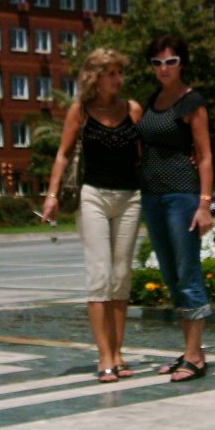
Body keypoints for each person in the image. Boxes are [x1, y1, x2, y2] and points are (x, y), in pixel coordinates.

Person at [41, 48, 142, 384]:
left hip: (130, 198)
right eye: (111, 73)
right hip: (93, 196)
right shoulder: (80, 111)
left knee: (121, 275)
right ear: (95, 77)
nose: (118, 79)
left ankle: (118, 350)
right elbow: (63, 154)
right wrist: (52, 195)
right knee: (99, 275)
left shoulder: (133, 110)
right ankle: (104, 356)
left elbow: (144, 156)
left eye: (119, 72)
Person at [136, 34, 213, 382]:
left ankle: (195, 356)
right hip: (152, 196)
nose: (164, 68)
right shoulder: (152, 100)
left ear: (181, 62)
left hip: (182, 196)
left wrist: (205, 204)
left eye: (170, 61)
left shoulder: (191, 101)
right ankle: (189, 351)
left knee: (187, 271)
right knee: (170, 275)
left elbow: (206, 155)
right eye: (157, 62)